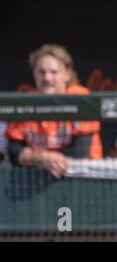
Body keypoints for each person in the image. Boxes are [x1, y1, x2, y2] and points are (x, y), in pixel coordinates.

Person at [6, 44, 103, 179]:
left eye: (54, 72)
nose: (47, 78)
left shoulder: (81, 99)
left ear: (67, 74)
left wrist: (36, 157)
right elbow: (14, 152)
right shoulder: (27, 102)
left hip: (84, 180)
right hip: (36, 182)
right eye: (42, 72)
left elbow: (80, 152)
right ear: (34, 73)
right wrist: (45, 158)